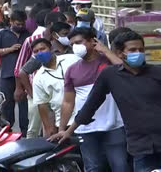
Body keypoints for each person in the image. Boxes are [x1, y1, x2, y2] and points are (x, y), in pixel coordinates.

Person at [51, 30, 161, 172]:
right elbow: (91, 105)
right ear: (120, 53)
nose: (138, 53)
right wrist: (68, 131)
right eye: (132, 50)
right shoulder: (110, 75)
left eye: (141, 50)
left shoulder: (160, 73)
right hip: (140, 147)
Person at [49, 28, 129, 172]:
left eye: (79, 42)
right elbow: (68, 102)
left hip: (114, 126)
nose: (75, 47)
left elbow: (126, 72)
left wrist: (106, 50)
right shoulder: (72, 70)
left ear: (93, 41)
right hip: (85, 129)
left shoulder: (109, 62)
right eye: (72, 44)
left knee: (120, 167)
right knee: (93, 167)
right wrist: (62, 129)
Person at [14, 12, 67, 138]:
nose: (39, 52)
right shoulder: (36, 43)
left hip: (61, 95)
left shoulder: (71, 50)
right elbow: (21, 70)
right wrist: (31, 93)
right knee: (38, 126)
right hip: (40, 90)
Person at [0, 10, 30, 136]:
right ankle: (8, 131)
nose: (20, 26)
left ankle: (25, 131)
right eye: (17, 24)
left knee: (24, 103)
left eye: (22, 24)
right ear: (11, 22)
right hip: (7, 75)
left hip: (25, 75)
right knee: (7, 103)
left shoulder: (28, 34)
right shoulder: (2, 35)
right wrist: (9, 49)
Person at [31, 38, 80, 137]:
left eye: (42, 49)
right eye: (36, 51)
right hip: (64, 123)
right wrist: (48, 127)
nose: (40, 53)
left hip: (85, 116)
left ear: (51, 48)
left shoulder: (72, 59)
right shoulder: (38, 78)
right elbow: (42, 104)